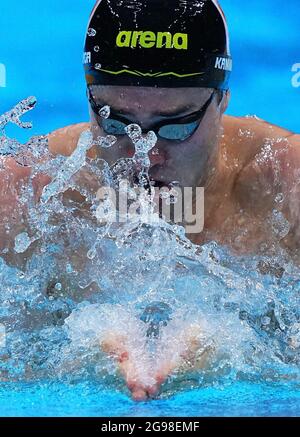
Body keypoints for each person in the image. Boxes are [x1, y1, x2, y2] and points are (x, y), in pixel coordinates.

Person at [0, 0, 299, 399]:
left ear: (223, 98)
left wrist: (222, 350)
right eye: (116, 122)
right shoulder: (25, 194)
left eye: (176, 127)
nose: (145, 154)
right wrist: (83, 357)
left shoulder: (287, 187)